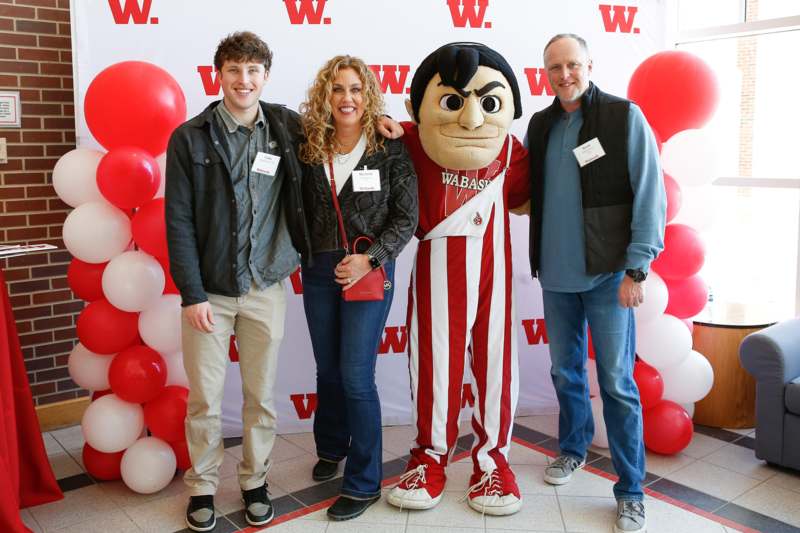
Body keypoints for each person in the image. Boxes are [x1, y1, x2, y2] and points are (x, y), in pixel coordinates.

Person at [165, 31, 312, 531]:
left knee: (260, 398)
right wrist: (191, 293)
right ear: (218, 75)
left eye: (252, 70)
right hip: (211, 291)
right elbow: (179, 220)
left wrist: (387, 123)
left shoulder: (288, 128)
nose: (243, 80)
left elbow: (345, 131)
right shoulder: (190, 137)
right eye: (233, 70)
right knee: (205, 398)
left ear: (265, 75)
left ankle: (255, 481)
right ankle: (202, 486)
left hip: (267, 285)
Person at [525, 34, 666, 533]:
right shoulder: (540, 126)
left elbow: (650, 194)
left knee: (617, 385)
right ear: (544, 72)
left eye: (571, 65)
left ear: (590, 65)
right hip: (557, 277)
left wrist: (636, 268)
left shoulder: (624, 116)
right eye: (553, 67)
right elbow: (520, 186)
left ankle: (630, 492)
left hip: (610, 277)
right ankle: (572, 449)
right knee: (566, 374)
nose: (563, 75)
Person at [387, 42, 530, 516]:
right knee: (435, 364)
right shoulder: (410, 138)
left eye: (488, 102)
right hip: (435, 267)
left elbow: (527, 200)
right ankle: (430, 456)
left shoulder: (511, 149)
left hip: (496, 274)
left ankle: (492, 461)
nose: (472, 118)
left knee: (496, 366)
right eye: (453, 101)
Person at [293, 55, 418, 521]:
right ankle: (331, 446)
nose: (347, 98)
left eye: (355, 90)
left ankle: (364, 483)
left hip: (369, 268)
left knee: (356, 375)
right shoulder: (308, 147)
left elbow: (405, 219)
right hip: (321, 268)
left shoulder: (389, 149)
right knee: (328, 368)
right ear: (325, 97)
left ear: (368, 96)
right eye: (337, 89)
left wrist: (370, 259)